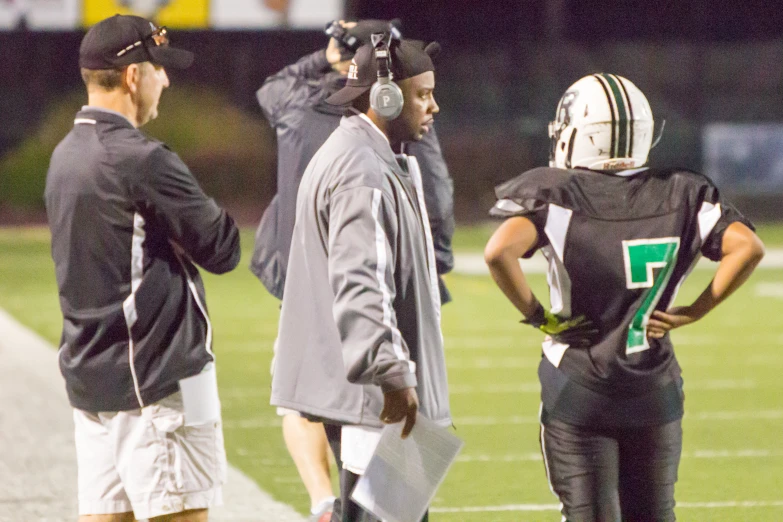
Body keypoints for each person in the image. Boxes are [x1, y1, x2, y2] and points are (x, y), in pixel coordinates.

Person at [483, 73, 766, 522]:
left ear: (582, 135)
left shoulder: (558, 193)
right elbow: (748, 246)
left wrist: (539, 315)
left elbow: (498, 252)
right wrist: (695, 310)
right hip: (655, 387)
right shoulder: (684, 190)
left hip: (580, 385)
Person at [250, 20, 455, 522]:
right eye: (423, 95)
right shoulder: (360, 169)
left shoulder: (369, 154)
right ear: (384, 98)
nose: (434, 107)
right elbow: (360, 283)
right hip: (378, 399)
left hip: (377, 392)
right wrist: (392, 373)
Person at [44, 14, 241, 522]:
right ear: (133, 76)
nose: (167, 80)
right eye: (160, 69)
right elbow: (223, 250)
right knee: (184, 510)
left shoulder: (64, 155)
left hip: (95, 381)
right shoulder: (140, 158)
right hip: (160, 383)